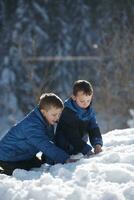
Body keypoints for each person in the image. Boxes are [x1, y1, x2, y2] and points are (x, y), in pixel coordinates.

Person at [0, 93, 73, 176]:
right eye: (54, 115)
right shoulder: (32, 125)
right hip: (7, 156)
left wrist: (52, 161)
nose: (57, 118)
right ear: (43, 112)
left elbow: (50, 142)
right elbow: (44, 145)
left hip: (23, 154)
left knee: (38, 165)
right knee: (22, 170)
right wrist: (65, 159)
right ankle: (5, 171)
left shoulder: (47, 122)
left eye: (59, 114)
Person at [55, 80, 103, 157]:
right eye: (82, 101)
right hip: (64, 148)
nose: (86, 103)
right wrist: (86, 149)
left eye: (88, 100)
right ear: (74, 97)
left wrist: (97, 144)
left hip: (79, 148)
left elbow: (94, 128)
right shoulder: (67, 112)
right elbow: (71, 134)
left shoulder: (89, 112)